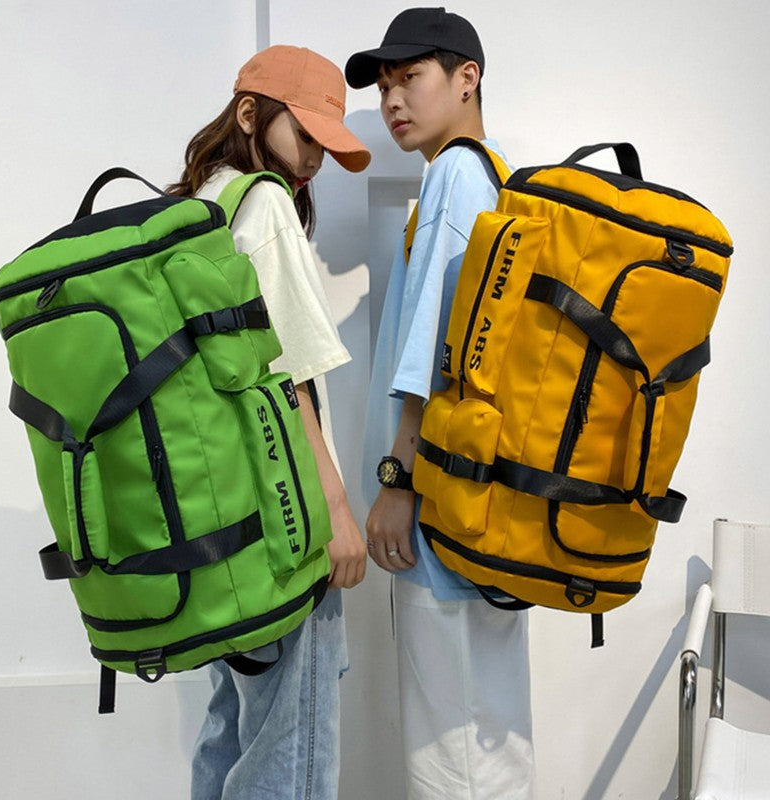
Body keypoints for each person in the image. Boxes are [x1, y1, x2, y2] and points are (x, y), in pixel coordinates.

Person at [167, 44, 369, 800]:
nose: (313, 158)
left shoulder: (198, 205)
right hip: (290, 524)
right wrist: (336, 513)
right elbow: (291, 381)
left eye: (325, 145)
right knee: (294, 750)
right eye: (306, 134)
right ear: (249, 114)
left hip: (227, 526)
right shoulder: (267, 205)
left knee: (232, 732)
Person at [346, 8, 535, 800]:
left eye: (410, 78)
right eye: (383, 87)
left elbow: (437, 350)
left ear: (467, 79)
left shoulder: (456, 176)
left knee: (451, 743)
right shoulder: (492, 177)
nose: (392, 99)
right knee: (488, 728)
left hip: (437, 503)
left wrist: (398, 480)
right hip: (477, 502)